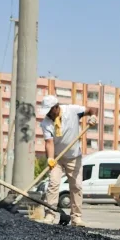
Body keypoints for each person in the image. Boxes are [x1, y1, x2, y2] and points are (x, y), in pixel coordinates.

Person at [40, 95, 97, 226]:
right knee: (53, 184)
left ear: (56, 107)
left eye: (49, 110)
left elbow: (91, 110)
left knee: (76, 186)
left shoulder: (72, 110)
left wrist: (93, 117)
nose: (48, 113)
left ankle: (76, 217)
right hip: (56, 158)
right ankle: (50, 215)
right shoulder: (46, 123)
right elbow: (49, 142)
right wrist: (50, 158)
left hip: (74, 156)